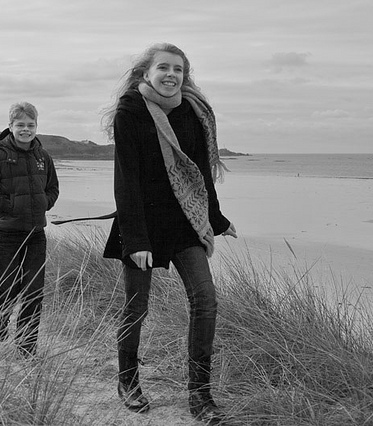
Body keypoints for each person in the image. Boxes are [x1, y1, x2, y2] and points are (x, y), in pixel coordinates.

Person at [102, 43, 237, 424]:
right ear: (145, 72)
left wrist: (216, 219)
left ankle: (200, 395)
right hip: (141, 223)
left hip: (183, 224)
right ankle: (128, 382)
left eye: (178, 69)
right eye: (164, 67)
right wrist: (136, 239)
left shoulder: (192, 112)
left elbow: (199, 175)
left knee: (205, 301)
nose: (171, 75)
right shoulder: (130, 111)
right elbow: (126, 179)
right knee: (136, 307)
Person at [0, 101, 59, 358]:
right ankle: (1, 321)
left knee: (34, 290)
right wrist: (7, 206)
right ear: (10, 126)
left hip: (36, 233)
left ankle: (26, 346)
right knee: (9, 286)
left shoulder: (43, 157)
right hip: (8, 233)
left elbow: (53, 188)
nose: (26, 130)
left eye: (31, 125)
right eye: (20, 125)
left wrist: (44, 203)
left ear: (36, 126)